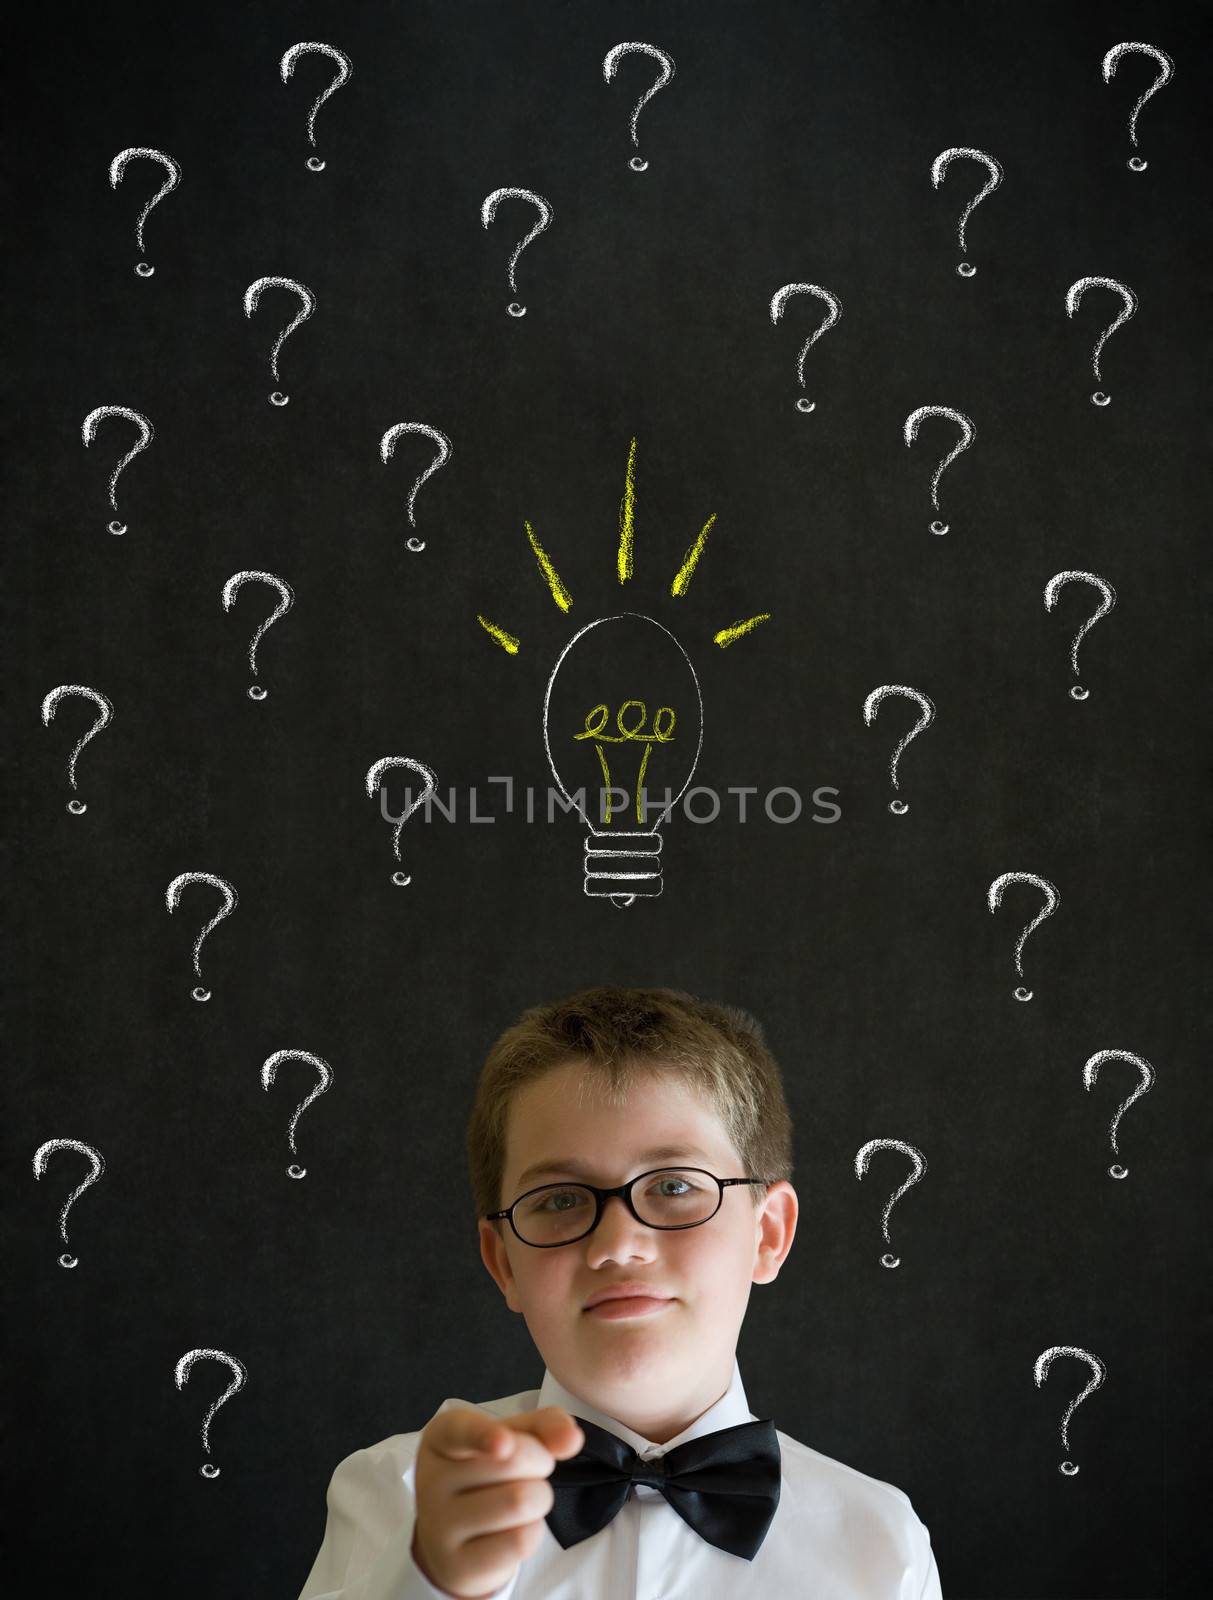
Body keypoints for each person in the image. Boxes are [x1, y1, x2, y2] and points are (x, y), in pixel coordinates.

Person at [297, 985, 943, 1599]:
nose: (617, 1245)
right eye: (558, 1200)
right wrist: (426, 1581)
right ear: (503, 1265)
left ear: (767, 1234)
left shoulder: (881, 1543)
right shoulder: (396, 1492)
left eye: (672, 1186)